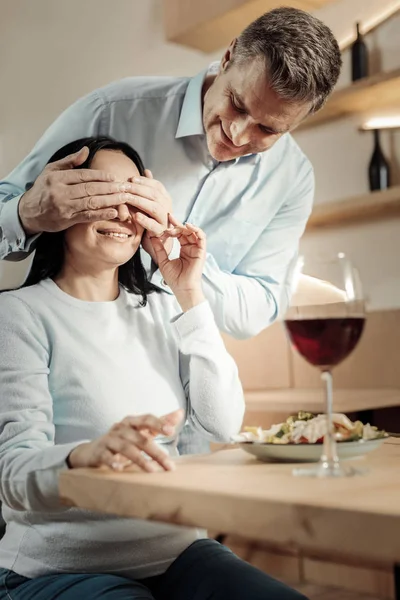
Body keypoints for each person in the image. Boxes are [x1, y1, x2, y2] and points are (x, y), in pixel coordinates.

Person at [0, 7, 342, 453]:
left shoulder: (292, 179)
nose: (237, 134)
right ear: (228, 57)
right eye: (237, 104)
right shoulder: (112, 112)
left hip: (189, 438)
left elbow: (258, 309)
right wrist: (29, 211)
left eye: (267, 129)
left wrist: (183, 266)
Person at [0, 136, 307, 600]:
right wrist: (84, 456)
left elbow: (224, 421)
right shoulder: (20, 315)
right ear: (63, 204)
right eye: (104, 194)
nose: (123, 212)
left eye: (133, 197)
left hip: (178, 551)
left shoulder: (165, 309)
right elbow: (14, 473)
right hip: (57, 567)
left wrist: (189, 294)